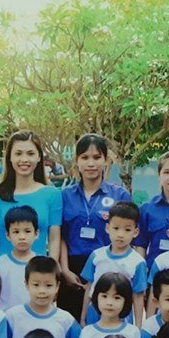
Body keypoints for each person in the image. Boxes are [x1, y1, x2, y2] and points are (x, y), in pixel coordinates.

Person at [60, 134, 133, 319]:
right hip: (72, 271)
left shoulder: (119, 195)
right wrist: (65, 270)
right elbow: (61, 236)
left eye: (96, 157)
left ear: (106, 160)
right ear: (76, 161)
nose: (91, 163)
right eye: (85, 157)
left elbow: (129, 235)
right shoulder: (65, 195)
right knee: (71, 324)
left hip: (108, 268)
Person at [0, 130, 62, 259]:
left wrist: (51, 268)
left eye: (30, 154)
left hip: (39, 269)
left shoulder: (52, 194)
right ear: (9, 157)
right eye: (18, 153)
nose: (24, 159)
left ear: (39, 157)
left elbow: (54, 240)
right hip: (2, 269)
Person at [3, 256, 80, 338]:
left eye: (48, 285)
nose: (42, 291)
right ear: (26, 285)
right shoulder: (12, 316)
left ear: (57, 286)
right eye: (36, 285)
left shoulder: (66, 319)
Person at [79, 201, 147, 326]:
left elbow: (138, 296)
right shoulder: (96, 256)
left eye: (127, 230)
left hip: (122, 315)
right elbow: (89, 287)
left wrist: (138, 326)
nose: (120, 234)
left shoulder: (138, 262)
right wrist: (83, 317)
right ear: (107, 228)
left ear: (136, 232)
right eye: (116, 228)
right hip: (95, 312)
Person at [0, 206, 38, 312]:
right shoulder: (0, 264)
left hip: (34, 317)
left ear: (36, 233)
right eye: (16, 232)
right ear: (8, 235)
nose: (22, 237)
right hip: (6, 317)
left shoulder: (42, 263)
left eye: (27, 231)